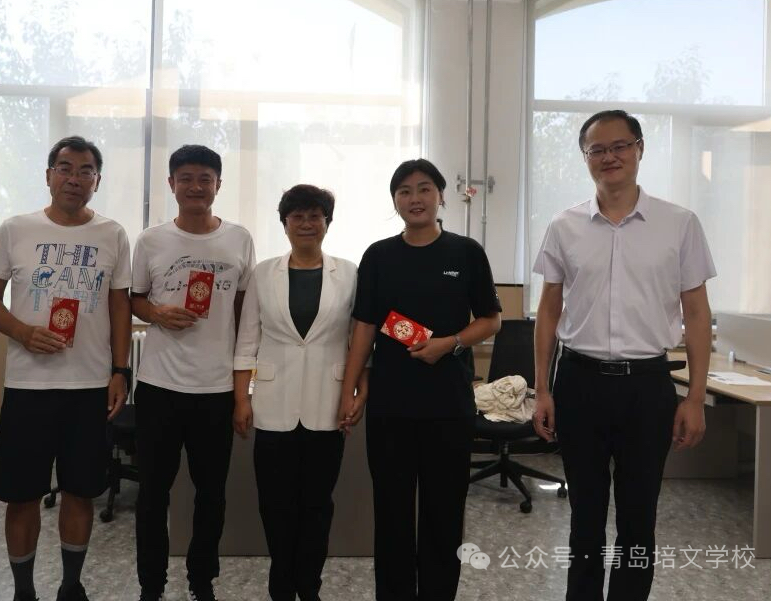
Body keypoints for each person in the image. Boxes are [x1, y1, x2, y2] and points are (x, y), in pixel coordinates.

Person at [532, 109, 714, 601]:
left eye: (620, 146)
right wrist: (542, 389)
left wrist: (695, 397)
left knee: (638, 519)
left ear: (639, 149)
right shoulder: (564, 225)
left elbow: (697, 313)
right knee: (585, 519)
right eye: (597, 149)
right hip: (579, 382)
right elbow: (548, 309)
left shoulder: (679, 224)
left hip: (646, 387)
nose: (609, 157)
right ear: (585, 157)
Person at [337, 159, 502, 601]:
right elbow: (364, 328)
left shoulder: (466, 253)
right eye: (405, 191)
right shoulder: (378, 256)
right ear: (394, 200)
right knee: (391, 516)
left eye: (425, 188)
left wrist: (449, 343)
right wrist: (349, 391)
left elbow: (491, 320)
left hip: (449, 406)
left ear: (441, 196)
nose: (415, 198)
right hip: (391, 407)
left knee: (443, 516)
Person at [0, 136, 132, 601]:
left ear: (97, 181)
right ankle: (23, 590)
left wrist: (120, 370)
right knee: (22, 494)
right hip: (29, 386)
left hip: (89, 386)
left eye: (86, 171)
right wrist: (23, 332)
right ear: (48, 175)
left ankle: (71, 584)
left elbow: (120, 306)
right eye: (65, 168)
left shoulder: (112, 234)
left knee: (81, 491)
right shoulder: (15, 229)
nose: (74, 178)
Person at [132, 144, 255, 601]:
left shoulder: (239, 239)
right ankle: (151, 584)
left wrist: (244, 387)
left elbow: (244, 313)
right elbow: (134, 299)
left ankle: (202, 581)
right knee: (152, 494)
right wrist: (157, 313)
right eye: (186, 178)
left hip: (216, 388)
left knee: (211, 494)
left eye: (205, 178)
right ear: (171, 184)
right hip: (159, 386)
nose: (196, 187)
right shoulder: (151, 240)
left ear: (218, 185)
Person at [233, 184, 357, 601]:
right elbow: (247, 340)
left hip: (328, 404)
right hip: (273, 406)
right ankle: (281, 586)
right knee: (275, 504)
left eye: (315, 216)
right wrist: (241, 399)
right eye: (297, 216)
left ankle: (309, 586)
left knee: (317, 504)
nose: (306, 223)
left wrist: (358, 392)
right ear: (284, 223)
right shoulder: (263, 273)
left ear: (327, 222)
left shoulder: (349, 273)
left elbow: (359, 340)